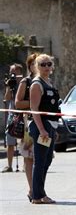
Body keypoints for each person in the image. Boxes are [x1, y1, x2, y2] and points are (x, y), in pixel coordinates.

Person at [29, 54, 60, 204]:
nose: (46, 67)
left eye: (48, 64)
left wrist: (55, 130)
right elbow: (34, 109)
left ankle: (40, 193)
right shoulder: (37, 84)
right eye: (42, 64)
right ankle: (37, 195)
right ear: (37, 66)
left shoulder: (49, 82)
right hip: (41, 126)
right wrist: (42, 129)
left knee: (47, 160)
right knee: (40, 161)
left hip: (51, 125)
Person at [15, 53, 38, 201]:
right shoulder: (26, 81)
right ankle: (32, 189)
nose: (40, 66)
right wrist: (34, 102)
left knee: (42, 158)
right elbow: (18, 103)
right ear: (29, 66)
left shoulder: (46, 81)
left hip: (45, 123)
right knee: (29, 158)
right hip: (29, 125)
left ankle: (39, 189)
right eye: (35, 63)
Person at [3, 64, 23, 173]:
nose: (13, 74)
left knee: (25, 140)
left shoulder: (25, 82)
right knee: (10, 141)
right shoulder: (11, 83)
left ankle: (26, 164)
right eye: (11, 72)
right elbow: (6, 99)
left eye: (15, 72)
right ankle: (9, 165)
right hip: (12, 114)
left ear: (20, 72)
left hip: (22, 114)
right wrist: (8, 86)